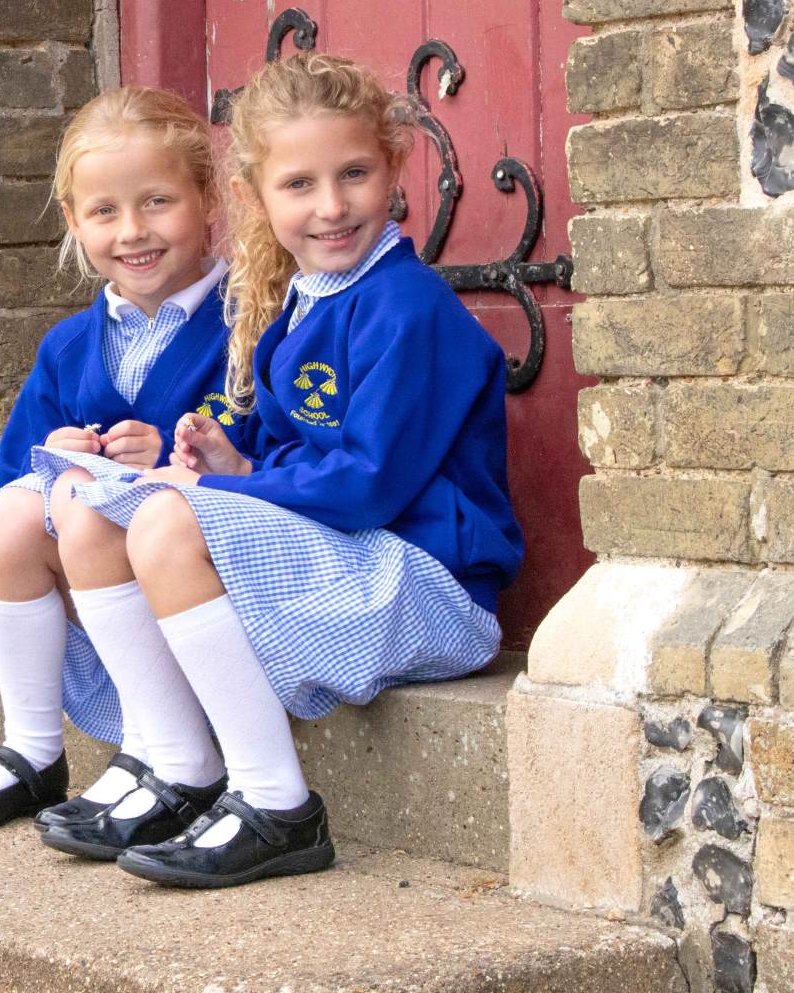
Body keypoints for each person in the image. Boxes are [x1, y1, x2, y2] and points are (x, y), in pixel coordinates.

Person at [39, 51, 521, 887]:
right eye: (299, 186)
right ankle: (180, 763)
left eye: (355, 175)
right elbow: (314, 465)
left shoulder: (407, 308)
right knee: (96, 508)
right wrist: (240, 459)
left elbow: (369, 482)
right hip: (362, 557)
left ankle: (275, 802)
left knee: (165, 515)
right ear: (257, 198)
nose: (331, 207)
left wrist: (217, 488)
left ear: (395, 169)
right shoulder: (307, 299)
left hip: (433, 588)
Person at [0, 86, 245, 837]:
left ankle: (161, 748)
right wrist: (53, 459)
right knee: (10, 516)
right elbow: (12, 472)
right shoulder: (68, 344)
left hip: (194, 562)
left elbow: (257, 447)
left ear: (208, 200)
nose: (133, 231)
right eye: (104, 212)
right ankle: (33, 748)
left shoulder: (246, 325)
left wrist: (177, 450)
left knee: (99, 511)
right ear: (73, 220)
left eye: (158, 202)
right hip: (98, 567)